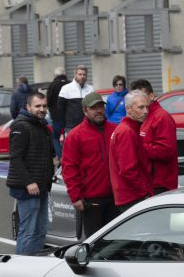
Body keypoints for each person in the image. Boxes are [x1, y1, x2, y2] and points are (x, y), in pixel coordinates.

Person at [61, 91, 118, 238]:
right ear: (85, 111)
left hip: (117, 197)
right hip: (91, 200)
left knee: (115, 242)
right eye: (94, 108)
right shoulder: (75, 135)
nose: (99, 111)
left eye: (101, 106)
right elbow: (69, 168)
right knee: (94, 241)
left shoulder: (115, 130)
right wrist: (75, 196)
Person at [6, 92, 54, 254]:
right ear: (28, 107)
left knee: (41, 230)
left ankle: (34, 266)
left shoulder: (41, 125)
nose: (42, 109)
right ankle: (20, 269)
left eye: (44, 106)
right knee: (28, 231)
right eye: (38, 106)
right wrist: (29, 182)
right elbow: (15, 158)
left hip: (41, 187)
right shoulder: (21, 126)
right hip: (28, 189)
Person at [110, 90, 153, 212]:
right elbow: (128, 170)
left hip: (132, 197)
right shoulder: (126, 132)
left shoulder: (129, 129)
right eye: (141, 107)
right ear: (128, 109)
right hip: (133, 198)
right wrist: (144, 193)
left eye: (147, 107)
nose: (145, 111)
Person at [133, 78, 178, 194]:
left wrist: (139, 148)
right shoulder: (143, 116)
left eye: (141, 96)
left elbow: (166, 150)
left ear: (152, 96)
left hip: (161, 184)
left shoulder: (162, 117)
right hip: (149, 182)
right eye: (135, 97)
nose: (138, 100)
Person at [58, 65, 95, 132]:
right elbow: (60, 109)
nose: (82, 76)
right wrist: (64, 126)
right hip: (71, 127)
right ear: (75, 75)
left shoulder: (91, 89)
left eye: (84, 74)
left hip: (88, 126)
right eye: (80, 74)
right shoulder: (66, 88)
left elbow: (93, 107)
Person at [47, 67, 69, 162]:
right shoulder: (70, 84)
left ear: (55, 75)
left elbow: (48, 101)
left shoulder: (52, 85)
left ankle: (59, 156)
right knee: (68, 136)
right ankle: (68, 155)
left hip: (56, 117)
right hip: (69, 116)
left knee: (55, 137)